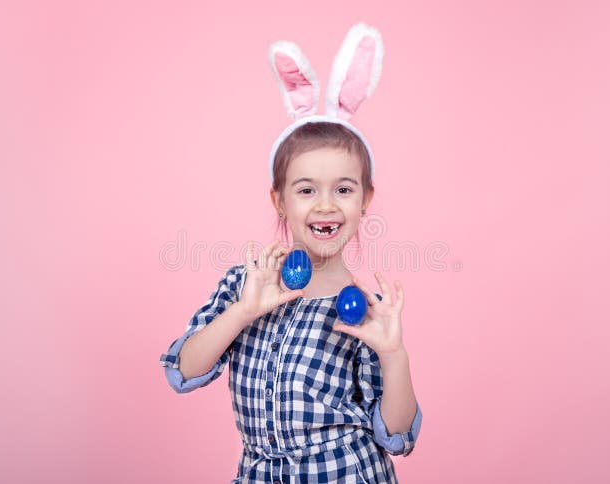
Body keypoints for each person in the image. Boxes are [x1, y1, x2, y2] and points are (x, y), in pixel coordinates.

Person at [159, 22, 422, 483]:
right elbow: (183, 371)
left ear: (365, 202)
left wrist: (394, 354)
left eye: (343, 189)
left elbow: (397, 435)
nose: (325, 205)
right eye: (306, 189)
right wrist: (242, 313)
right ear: (279, 200)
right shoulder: (248, 284)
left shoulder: (365, 314)